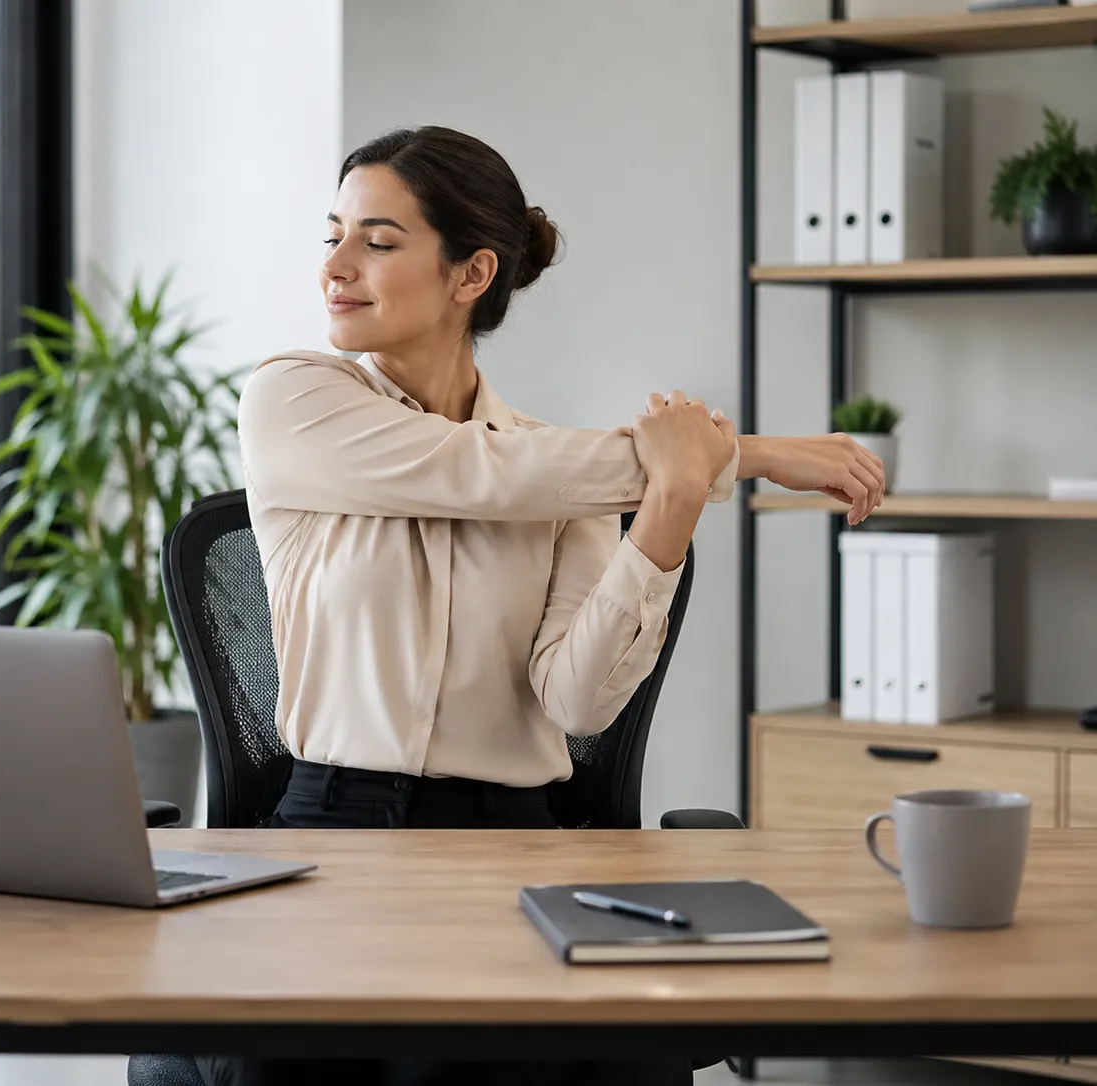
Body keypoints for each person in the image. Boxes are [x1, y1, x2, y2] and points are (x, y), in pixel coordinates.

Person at [193, 126, 884, 1086]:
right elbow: (475, 473)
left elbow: (579, 703)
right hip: (333, 834)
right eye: (333, 235)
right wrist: (746, 451)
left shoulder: (562, 472)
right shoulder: (295, 400)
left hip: (510, 842)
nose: (336, 268)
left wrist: (672, 507)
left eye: (378, 242)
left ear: (471, 274)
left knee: (584, 1058)